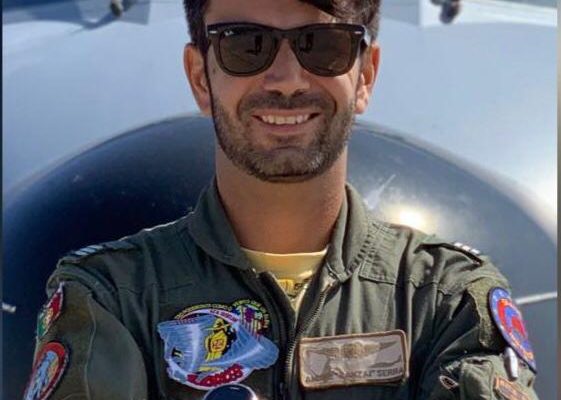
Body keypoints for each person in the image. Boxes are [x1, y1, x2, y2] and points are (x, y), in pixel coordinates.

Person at [24, 0, 539, 399]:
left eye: (324, 46)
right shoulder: (112, 298)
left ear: (365, 76)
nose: (287, 80)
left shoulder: (447, 300)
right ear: (201, 77)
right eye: (245, 45)